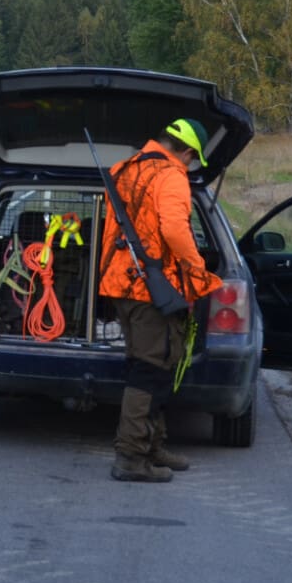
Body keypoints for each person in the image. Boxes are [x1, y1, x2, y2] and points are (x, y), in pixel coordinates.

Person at [98, 118, 224, 482]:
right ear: (184, 151)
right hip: (151, 289)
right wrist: (196, 267)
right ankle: (131, 459)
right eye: (191, 160)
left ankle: (153, 446)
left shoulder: (126, 168)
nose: (189, 166)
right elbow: (173, 228)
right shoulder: (171, 175)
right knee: (149, 370)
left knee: (155, 366)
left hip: (122, 284)